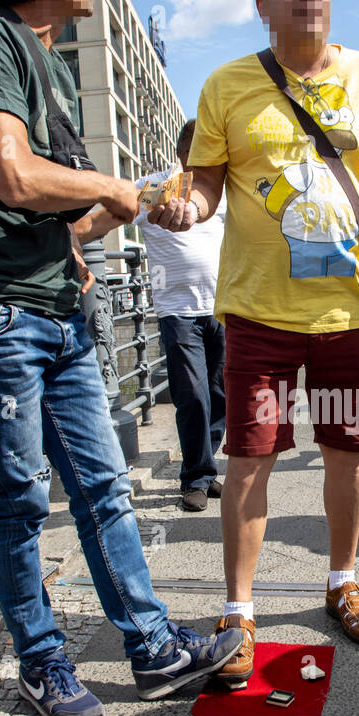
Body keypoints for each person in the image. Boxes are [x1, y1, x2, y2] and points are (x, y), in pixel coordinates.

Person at [0, 0, 242, 716]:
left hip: (56, 309)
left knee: (103, 489)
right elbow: (14, 177)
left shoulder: (53, 67)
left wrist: (133, 203)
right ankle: (42, 659)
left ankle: (150, 648)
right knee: (21, 496)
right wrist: (109, 185)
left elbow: (58, 213)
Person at [146, 0, 359, 685]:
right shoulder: (227, 85)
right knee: (248, 460)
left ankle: (341, 581)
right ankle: (238, 611)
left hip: (345, 316)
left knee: (347, 453)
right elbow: (206, 183)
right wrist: (187, 208)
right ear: (263, 2)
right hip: (260, 317)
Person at [136, 119, 226, 512]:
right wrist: (75, 236)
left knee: (220, 395)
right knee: (192, 396)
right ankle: (195, 477)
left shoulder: (220, 193)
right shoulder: (154, 187)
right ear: (182, 152)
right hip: (178, 310)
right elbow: (114, 212)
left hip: (221, 307)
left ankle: (206, 469)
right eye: (198, 150)